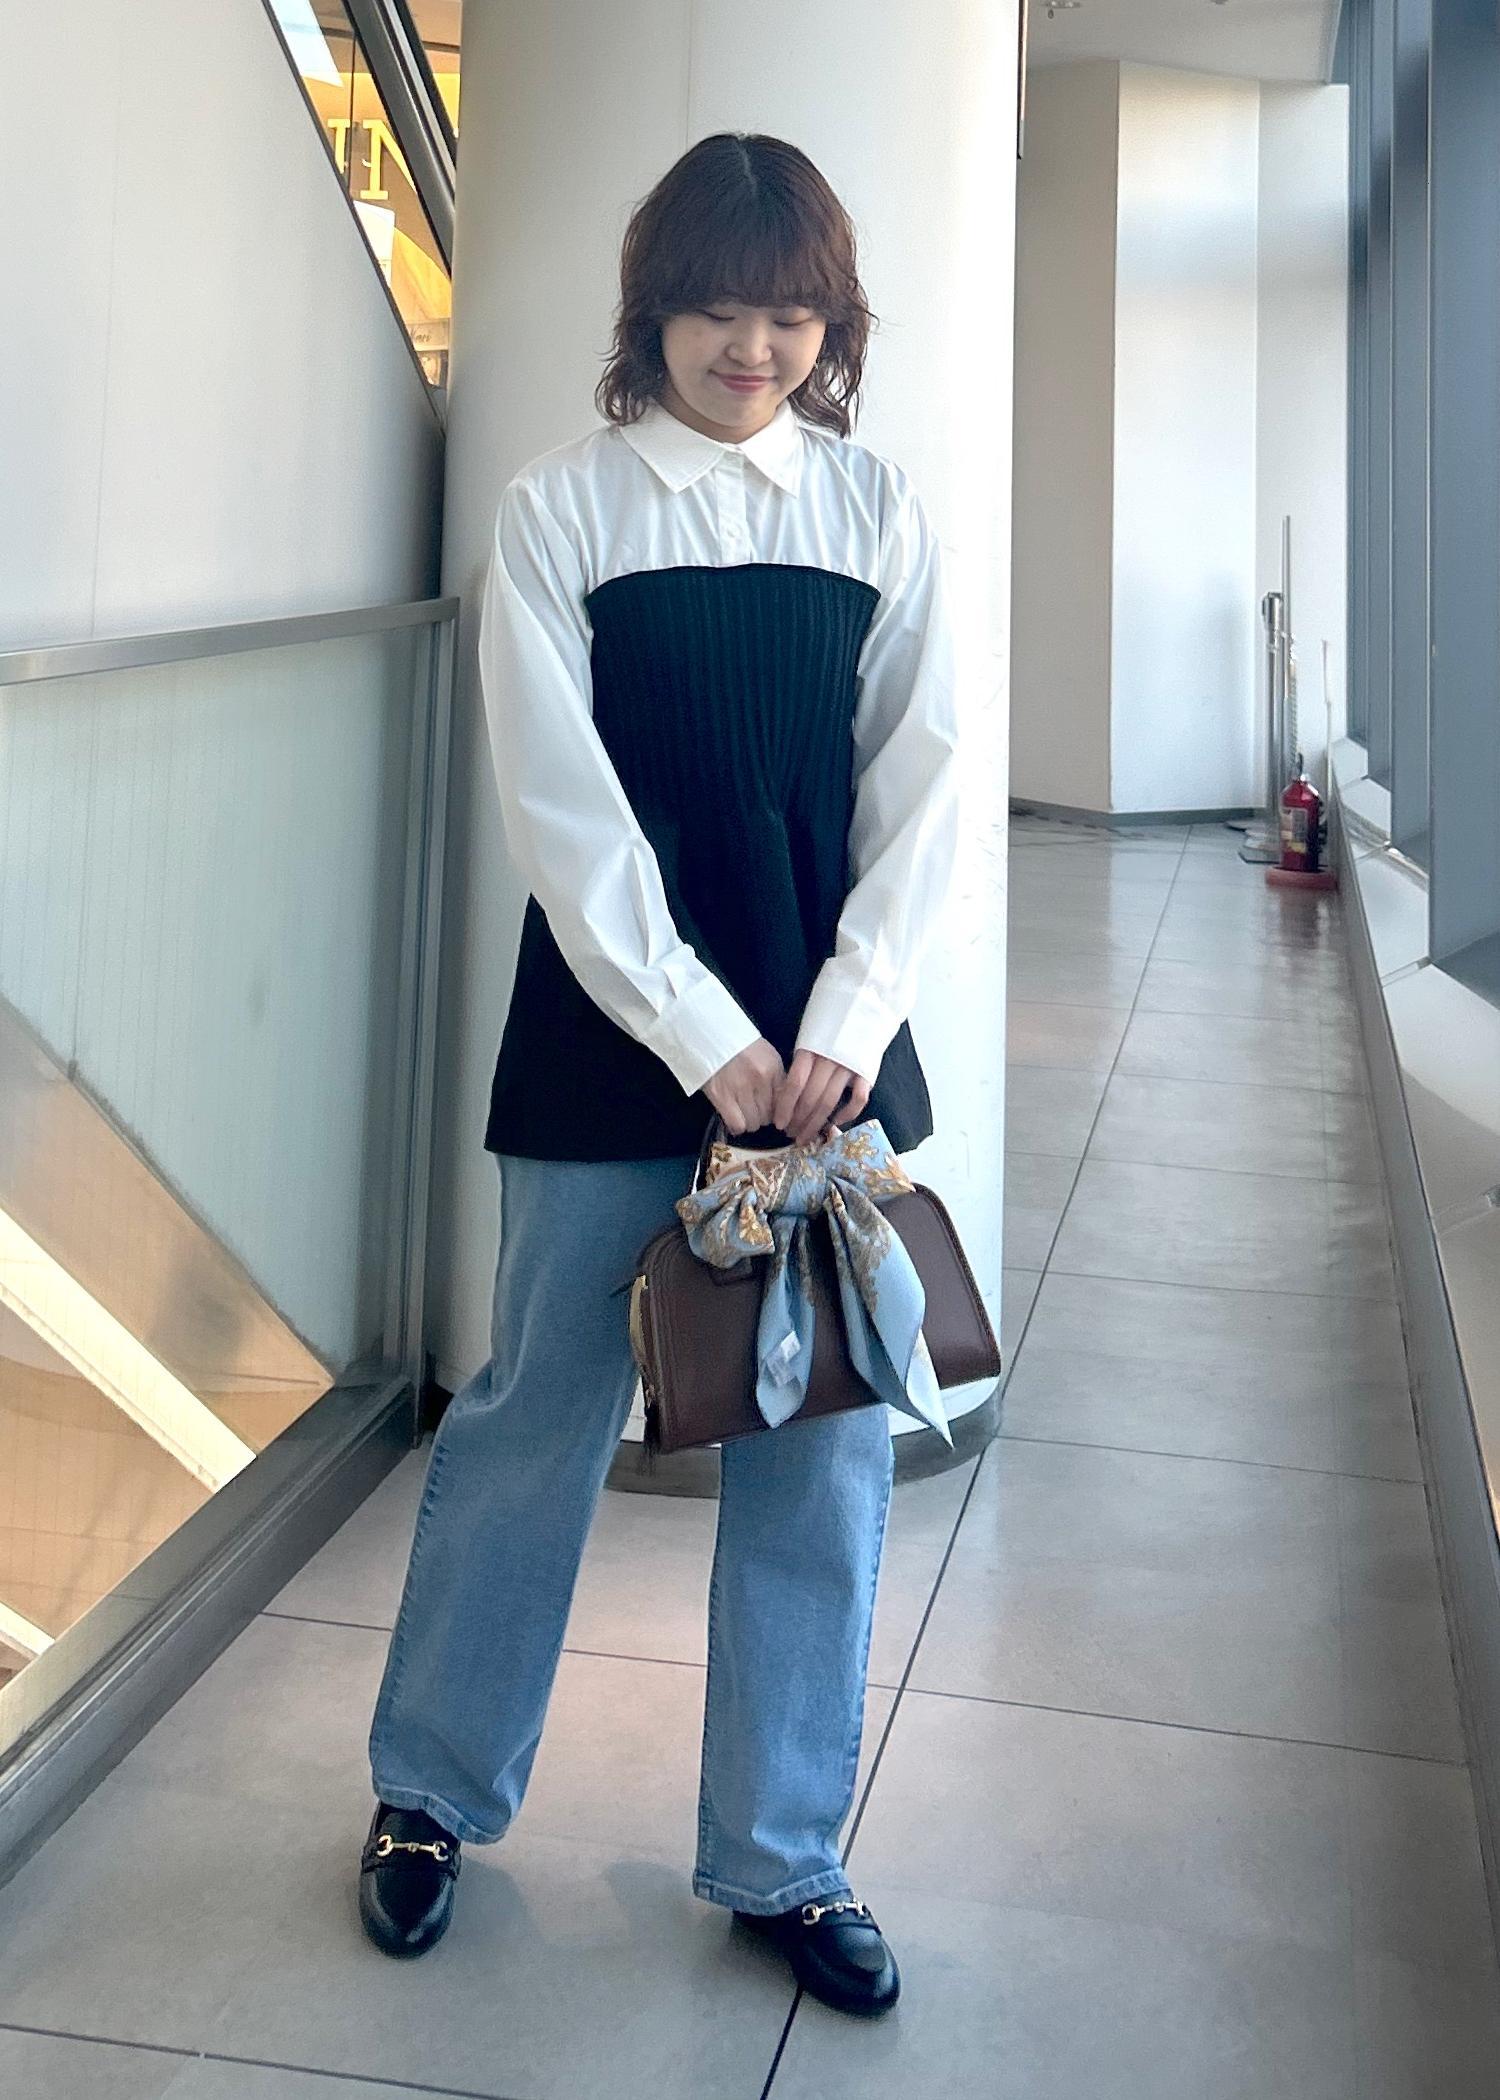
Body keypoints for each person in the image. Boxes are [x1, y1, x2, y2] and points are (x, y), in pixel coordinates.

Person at [357, 131, 960, 2019]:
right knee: (534, 1411)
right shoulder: (562, 508)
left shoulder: (878, 509)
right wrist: (708, 1039)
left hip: (828, 1055)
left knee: (820, 1445)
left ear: (832, 326)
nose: (753, 348)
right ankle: (428, 1796)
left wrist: (845, 1020)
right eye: (718, 310)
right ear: (654, 311)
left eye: (792, 315)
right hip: (617, 1036)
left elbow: (923, 787)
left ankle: (786, 1855)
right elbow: (567, 816)